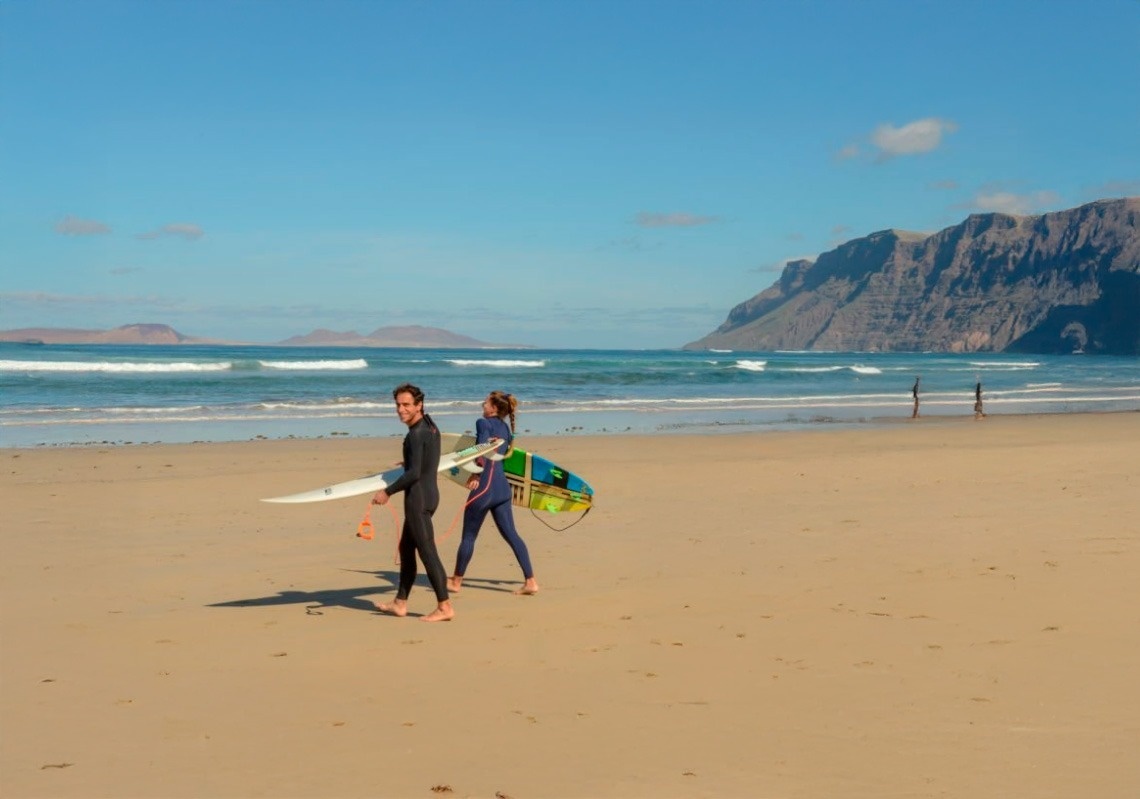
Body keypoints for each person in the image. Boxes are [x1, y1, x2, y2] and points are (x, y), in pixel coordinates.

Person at [371, 383, 454, 622]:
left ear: (419, 405)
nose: (400, 409)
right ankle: (400, 603)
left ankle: (445, 606)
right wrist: (408, 461)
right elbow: (425, 459)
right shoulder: (429, 425)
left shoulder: (416, 434)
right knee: (407, 550)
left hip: (418, 499)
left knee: (428, 553)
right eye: (398, 404)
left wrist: (387, 492)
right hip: (429, 494)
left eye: (406, 404)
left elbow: (414, 474)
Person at [448, 391, 539, 596]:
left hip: (484, 488)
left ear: (494, 408)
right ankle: (531, 581)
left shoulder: (483, 423)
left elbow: (481, 449)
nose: (483, 403)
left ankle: (456, 581)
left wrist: (476, 475)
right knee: (512, 535)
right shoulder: (505, 428)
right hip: (502, 489)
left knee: (469, 536)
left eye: (486, 402)